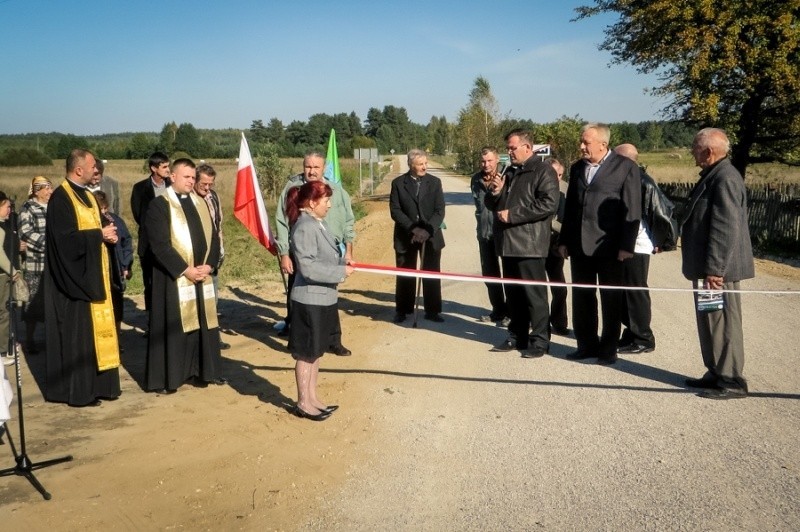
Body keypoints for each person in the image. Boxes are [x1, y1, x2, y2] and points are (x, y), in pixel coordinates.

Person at [558, 123, 642, 365]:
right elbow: (571, 208)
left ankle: (608, 349)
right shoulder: (577, 168)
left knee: (610, 299)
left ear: (603, 144)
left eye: (586, 142)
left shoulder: (625, 167)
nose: (581, 146)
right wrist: (564, 240)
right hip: (579, 246)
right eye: (581, 141)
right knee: (583, 297)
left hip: (611, 248)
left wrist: (627, 245)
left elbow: (632, 208)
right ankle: (586, 345)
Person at [43, 149, 121, 407]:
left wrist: (108, 235)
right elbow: (64, 243)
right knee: (80, 339)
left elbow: (98, 229)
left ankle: (102, 386)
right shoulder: (60, 199)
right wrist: (98, 235)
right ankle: (80, 392)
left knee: (98, 334)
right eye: (91, 167)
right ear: (78, 170)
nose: (95, 170)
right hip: (74, 282)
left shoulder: (88, 195)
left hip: (94, 276)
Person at [682, 128, 754, 400]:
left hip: (716, 272)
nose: (692, 152)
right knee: (710, 321)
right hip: (707, 270)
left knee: (724, 324)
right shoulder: (714, 175)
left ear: (709, 151)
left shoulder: (725, 178)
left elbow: (725, 227)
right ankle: (715, 371)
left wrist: (715, 269)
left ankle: (732, 379)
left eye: (695, 148)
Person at [144, 158, 224, 395]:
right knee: (177, 326)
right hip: (175, 279)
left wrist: (209, 265)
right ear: (173, 177)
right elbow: (159, 245)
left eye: (193, 177)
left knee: (203, 323)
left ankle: (205, 371)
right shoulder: (159, 205)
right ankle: (173, 376)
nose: (192, 181)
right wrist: (186, 270)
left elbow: (214, 237)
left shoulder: (200, 203)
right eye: (187, 177)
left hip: (202, 276)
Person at [485, 130, 559, 358]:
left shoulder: (542, 170)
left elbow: (548, 204)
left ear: (527, 147)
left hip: (529, 243)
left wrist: (513, 215)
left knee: (533, 296)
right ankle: (517, 336)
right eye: (507, 148)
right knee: (514, 294)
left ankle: (539, 341)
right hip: (507, 243)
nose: (508, 152)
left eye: (512, 148)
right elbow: (492, 203)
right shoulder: (510, 170)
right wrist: (495, 192)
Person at [285, 180, 354, 420]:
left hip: (323, 298)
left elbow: (322, 258)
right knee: (306, 353)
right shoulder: (305, 226)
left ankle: (313, 398)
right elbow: (308, 268)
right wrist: (339, 273)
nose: (330, 205)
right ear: (312, 202)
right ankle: (303, 403)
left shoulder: (318, 223)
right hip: (309, 300)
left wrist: (341, 262)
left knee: (316, 352)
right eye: (326, 200)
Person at [275, 151, 355, 356]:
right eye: (308, 167)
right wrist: (284, 253)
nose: (311, 171)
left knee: (329, 295)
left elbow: (348, 221)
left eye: (316, 167)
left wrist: (348, 252)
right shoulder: (292, 189)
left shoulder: (336, 190)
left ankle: (333, 340)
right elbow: (282, 223)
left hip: (330, 251)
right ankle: (296, 336)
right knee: (298, 294)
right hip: (303, 252)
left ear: (324, 168)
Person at [614, 144, 679, 355]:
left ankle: (643, 337)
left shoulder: (640, 181)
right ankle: (632, 332)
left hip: (637, 245)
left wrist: (662, 242)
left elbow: (661, 212)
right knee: (626, 291)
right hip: (628, 243)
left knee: (635, 291)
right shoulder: (633, 178)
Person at [390, 149, 446, 324]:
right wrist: (414, 229)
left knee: (431, 272)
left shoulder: (435, 182)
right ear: (410, 165)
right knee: (405, 272)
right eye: (420, 164)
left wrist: (427, 231)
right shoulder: (398, 183)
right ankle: (403, 309)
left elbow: (439, 210)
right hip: (406, 235)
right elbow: (395, 211)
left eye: (425, 163)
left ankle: (433, 310)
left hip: (430, 236)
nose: (424, 167)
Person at [194, 163, 230, 350]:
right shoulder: (188, 199)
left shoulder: (213, 197)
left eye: (210, 184)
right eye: (203, 185)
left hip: (213, 259)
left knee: (212, 300)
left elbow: (218, 226)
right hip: (194, 261)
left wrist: (220, 251)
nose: (207, 189)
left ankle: (213, 337)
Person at [470, 147, 507, 324]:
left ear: (497, 160)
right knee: (490, 275)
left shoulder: (507, 177)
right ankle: (498, 311)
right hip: (484, 235)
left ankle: (513, 314)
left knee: (509, 276)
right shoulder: (475, 179)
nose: (486, 164)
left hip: (505, 234)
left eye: (490, 161)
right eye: (483, 161)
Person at [131, 151, 171, 316]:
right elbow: (138, 214)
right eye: (164, 166)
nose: (168, 170)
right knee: (150, 282)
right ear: (154, 168)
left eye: (169, 166)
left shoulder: (173, 186)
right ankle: (152, 322)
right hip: (148, 244)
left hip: (171, 242)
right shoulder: (140, 188)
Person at [19, 176, 53, 353]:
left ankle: (51, 340)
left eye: (50, 187)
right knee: (33, 304)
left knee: (51, 304)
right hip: (35, 265)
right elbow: (26, 233)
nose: (50, 192)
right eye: (46, 188)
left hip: (53, 265)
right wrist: (51, 244)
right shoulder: (27, 208)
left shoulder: (53, 207)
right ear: (37, 191)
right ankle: (29, 340)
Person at [93, 190, 133, 337]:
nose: (102, 212)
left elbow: (126, 242)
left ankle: (116, 338)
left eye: (104, 209)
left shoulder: (116, 220)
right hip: (97, 272)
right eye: (99, 209)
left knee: (117, 306)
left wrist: (126, 265)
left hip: (115, 270)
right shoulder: (90, 224)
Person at [545, 158, 570, 336]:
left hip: (555, 245)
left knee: (559, 287)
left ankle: (559, 322)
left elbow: (568, 220)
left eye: (560, 175)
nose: (558, 179)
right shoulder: (536, 187)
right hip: (535, 245)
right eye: (554, 175)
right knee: (535, 287)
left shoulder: (566, 190)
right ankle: (538, 322)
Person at [1, 191, 23, 366]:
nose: (10, 210)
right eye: (7, 207)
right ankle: (3, 351)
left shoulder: (5, 225)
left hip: (5, 274)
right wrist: (13, 271)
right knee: (4, 313)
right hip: (3, 276)